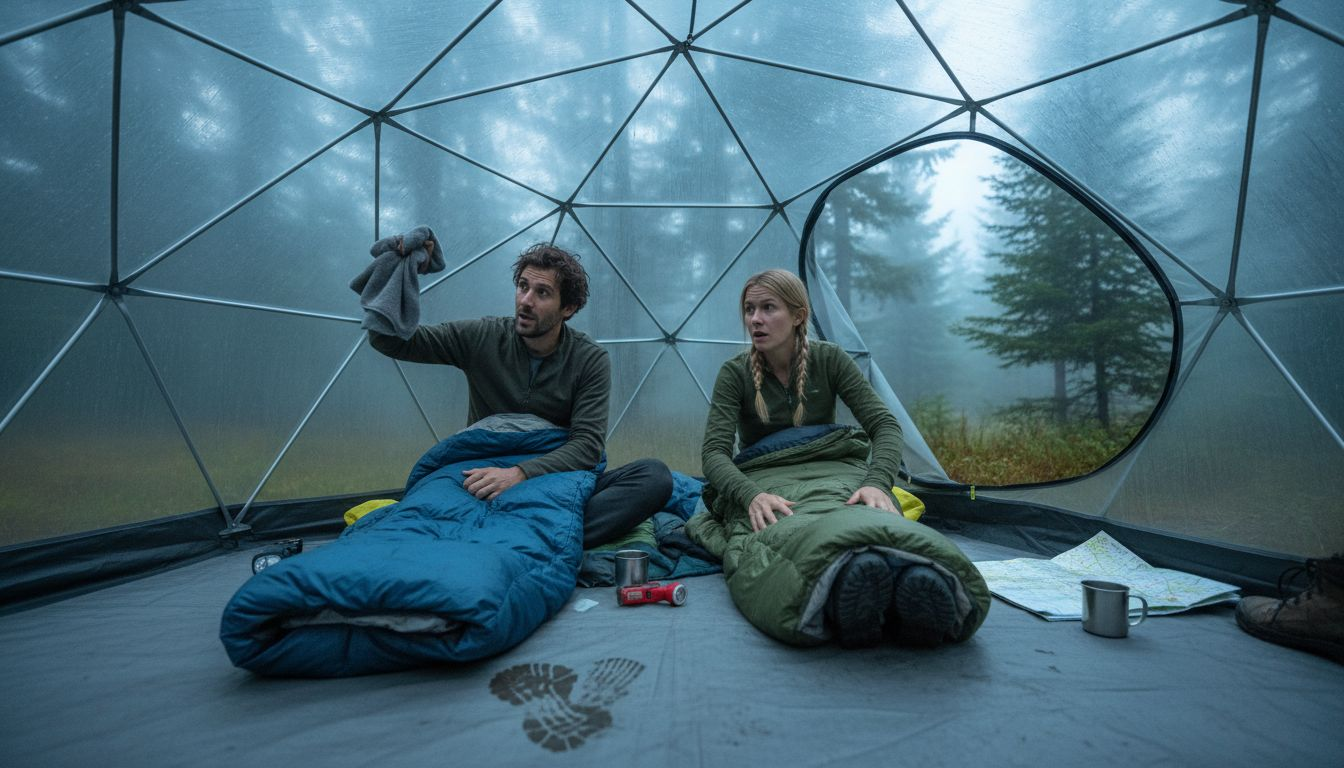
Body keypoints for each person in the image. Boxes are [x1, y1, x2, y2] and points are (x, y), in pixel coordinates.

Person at [699, 268, 961, 648]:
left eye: (768, 308)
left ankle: (910, 583)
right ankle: (848, 588)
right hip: (767, 478)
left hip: (835, 468)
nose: (754, 319)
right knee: (783, 531)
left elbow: (885, 426)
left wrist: (876, 483)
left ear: (798, 314)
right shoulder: (735, 373)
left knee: (863, 512)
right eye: (749, 309)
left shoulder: (829, 360)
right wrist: (750, 495)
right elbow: (714, 453)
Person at [367, 241, 672, 548]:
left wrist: (520, 474)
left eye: (542, 293)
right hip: (484, 476)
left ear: (568, 308)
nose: (525, 301)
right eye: (522, 287)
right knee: (427, 505)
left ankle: (514, 536)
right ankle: (545, 537)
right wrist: (402, 269)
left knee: (654, 477)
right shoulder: (483, 337)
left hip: (552, 479)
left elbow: (587, 447)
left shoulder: (589, 359)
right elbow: (391, 341)